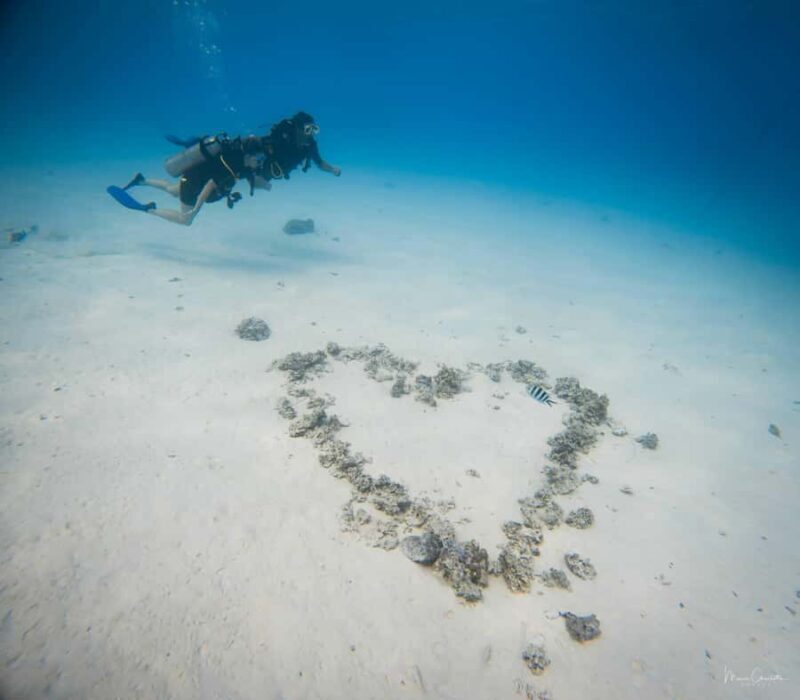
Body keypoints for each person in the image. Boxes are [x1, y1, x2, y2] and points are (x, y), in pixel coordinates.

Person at [107, 112, 341, 226]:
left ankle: (141, 180)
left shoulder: (247, 163)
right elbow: (211, 185)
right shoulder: (239, 163)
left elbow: (319, 163)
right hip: (197, 179)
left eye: (314, 130)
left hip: (195, 177)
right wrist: (196, 210)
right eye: (308, 130)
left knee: (171, 190)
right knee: (185, 219)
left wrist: (334, 171)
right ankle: (147, 209)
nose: (257, 165)